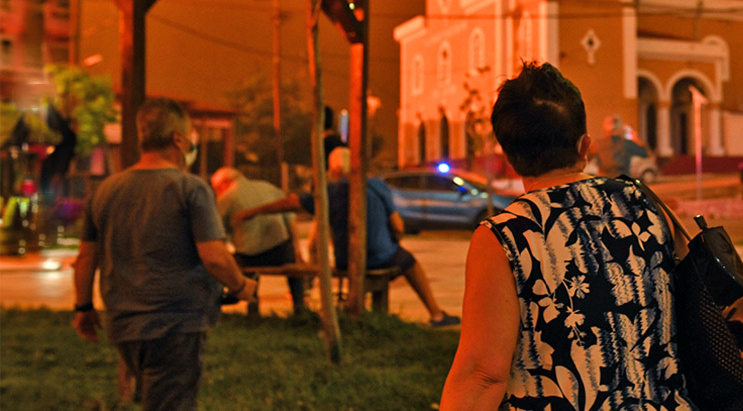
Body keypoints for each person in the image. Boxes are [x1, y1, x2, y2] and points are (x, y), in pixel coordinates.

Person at [440, 62, 694, 411]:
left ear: (510, 156)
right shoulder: (644, 202)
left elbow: (483, 375)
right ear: (584, 145)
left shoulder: (504, 237)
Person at [73, 98, 257, 411]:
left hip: (124, 325)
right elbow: (214, 256)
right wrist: (242, 285)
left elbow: (86, 258)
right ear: (178, 139)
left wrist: (83, 307)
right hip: (174, 325)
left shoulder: (105, 190)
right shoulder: (190, 189)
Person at [236, 148, 459, 326]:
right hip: (380, 256)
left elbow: (290, 203)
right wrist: (392, 240)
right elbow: (398, 226)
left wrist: (251, 212)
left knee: (394, 257)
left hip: (345, 259)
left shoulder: (330, 192)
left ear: (334, 170)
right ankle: (436, 314)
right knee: (408, 260)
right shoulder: (377, 186)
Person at [211, 167, 307, 314]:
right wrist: (297, 249)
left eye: (217, 188)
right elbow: (290, 221)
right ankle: (299, 306)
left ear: (225, 183)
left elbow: (217, 231)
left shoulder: (227, 198)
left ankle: (252, 306)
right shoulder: (268, 187)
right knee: (293, 267)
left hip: (251, 256)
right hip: (281, 250)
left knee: (241, 262)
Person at [590, 113, 649, 177]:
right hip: (622, 182)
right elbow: (645, 153)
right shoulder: (627, 144)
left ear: (605, 128)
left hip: (604, 182)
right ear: (620, 127)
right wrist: (635, 138)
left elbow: (586, 158)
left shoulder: (597, 144)